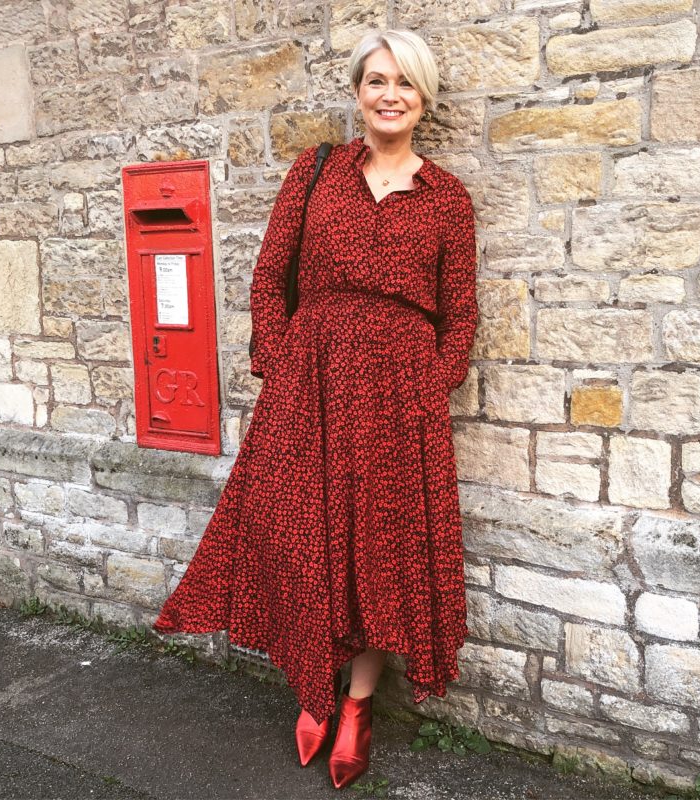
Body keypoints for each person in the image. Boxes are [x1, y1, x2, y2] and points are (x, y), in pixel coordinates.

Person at [153, 28, 478, 790]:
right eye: (376, 80)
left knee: (374, 555)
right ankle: (311, 686)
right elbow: (270, 279)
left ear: (424, 98)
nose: (389, 94)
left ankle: (358, 705)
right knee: (302, 537)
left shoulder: (448, 198)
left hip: (399, 399)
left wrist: (433, 387)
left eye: (404, 82)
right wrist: (282, 364)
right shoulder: (316, 170)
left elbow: (459, 312)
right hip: (313, 381)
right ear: (358, 93)